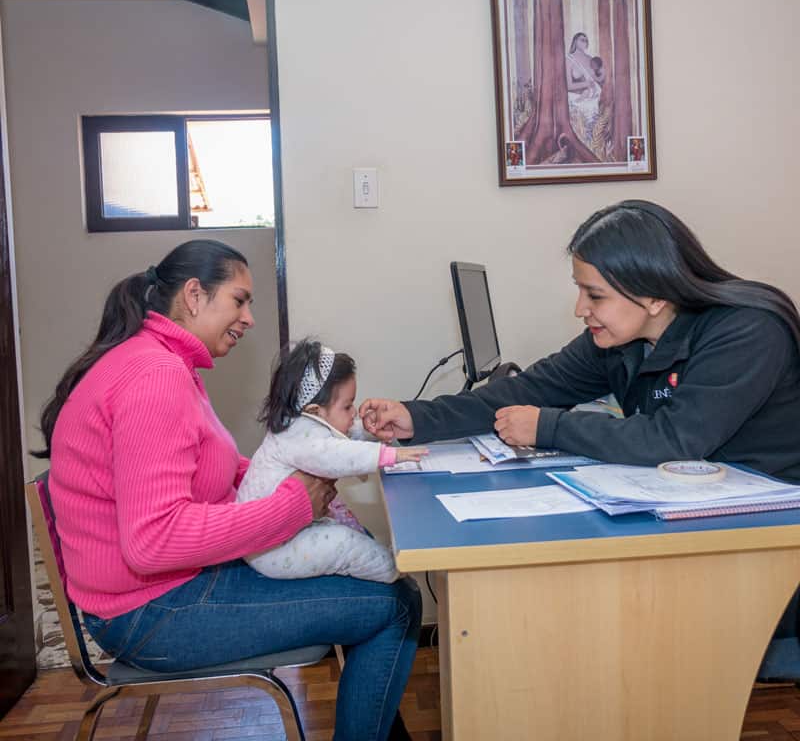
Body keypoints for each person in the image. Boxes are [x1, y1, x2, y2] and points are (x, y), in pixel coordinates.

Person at [36, 239, 421, 741]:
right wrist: (292, 505)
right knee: (395, 604)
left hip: (155, 591)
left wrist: (277, 473)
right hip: (152, 611)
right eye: (240, 300)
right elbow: (154, 540)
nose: (249, 318)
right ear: (195, 295)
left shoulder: (165, 363)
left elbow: (207, 470)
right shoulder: (154, 377)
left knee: (387, 590)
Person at [360, 200, 800, 484]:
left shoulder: (747, 330)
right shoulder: (618, 340)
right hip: (699, 505)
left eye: (595, 295)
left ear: (652, 294)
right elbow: (527, 390)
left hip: (770, 528)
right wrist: (416, 417)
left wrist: (548, 426)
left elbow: (675, 439)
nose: (580, 309)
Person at [237, 338, 426, 582]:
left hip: (278, 535)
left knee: (347, 531)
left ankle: (386, 564)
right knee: (344, 544)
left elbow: (335, 438)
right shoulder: (301, 437)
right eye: (347, 407)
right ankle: (391, 568)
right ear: (315, 411)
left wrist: (369, 431)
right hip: (272, 549)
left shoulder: (299, 424)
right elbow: (336, 455)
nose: (354, 412)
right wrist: (388, 455)